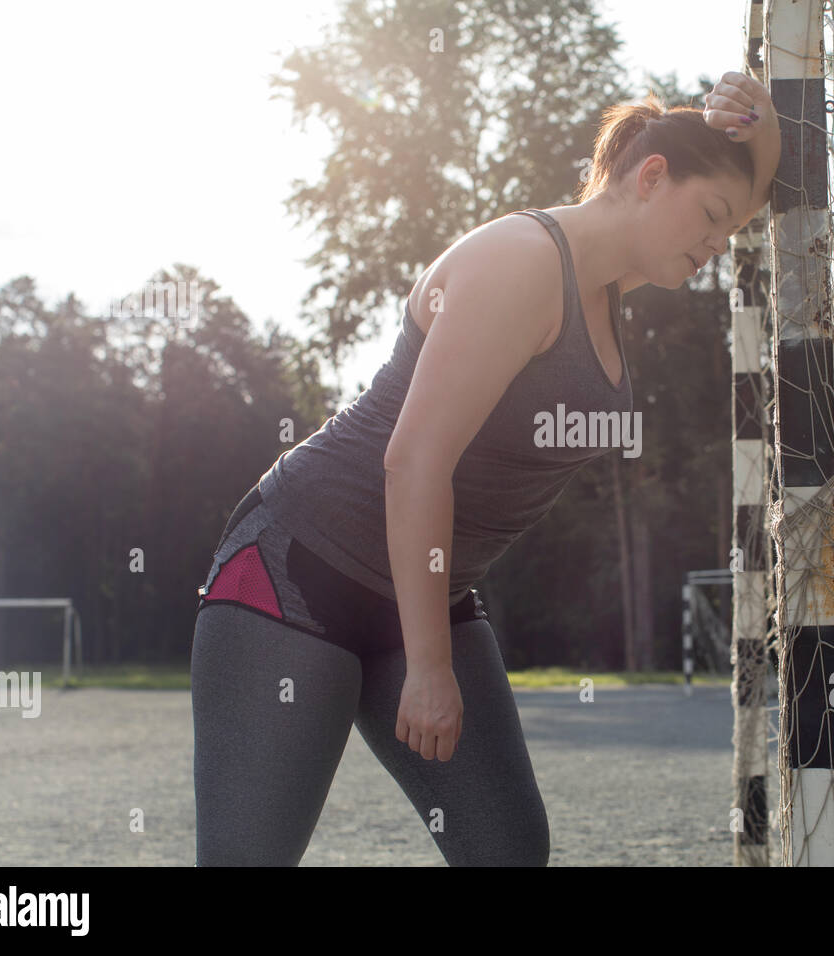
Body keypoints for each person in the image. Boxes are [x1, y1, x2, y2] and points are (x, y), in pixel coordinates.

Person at [190, 73, 780, 866]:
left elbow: (747, 188)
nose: (718, 245)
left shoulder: (610, 280)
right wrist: (430, 667)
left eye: (728, 231)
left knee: (505, 848)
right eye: (712, 218)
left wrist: (762, 123)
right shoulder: (521, 261)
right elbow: (414, 460)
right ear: (650, 177)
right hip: (297, 576)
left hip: (427, 589)